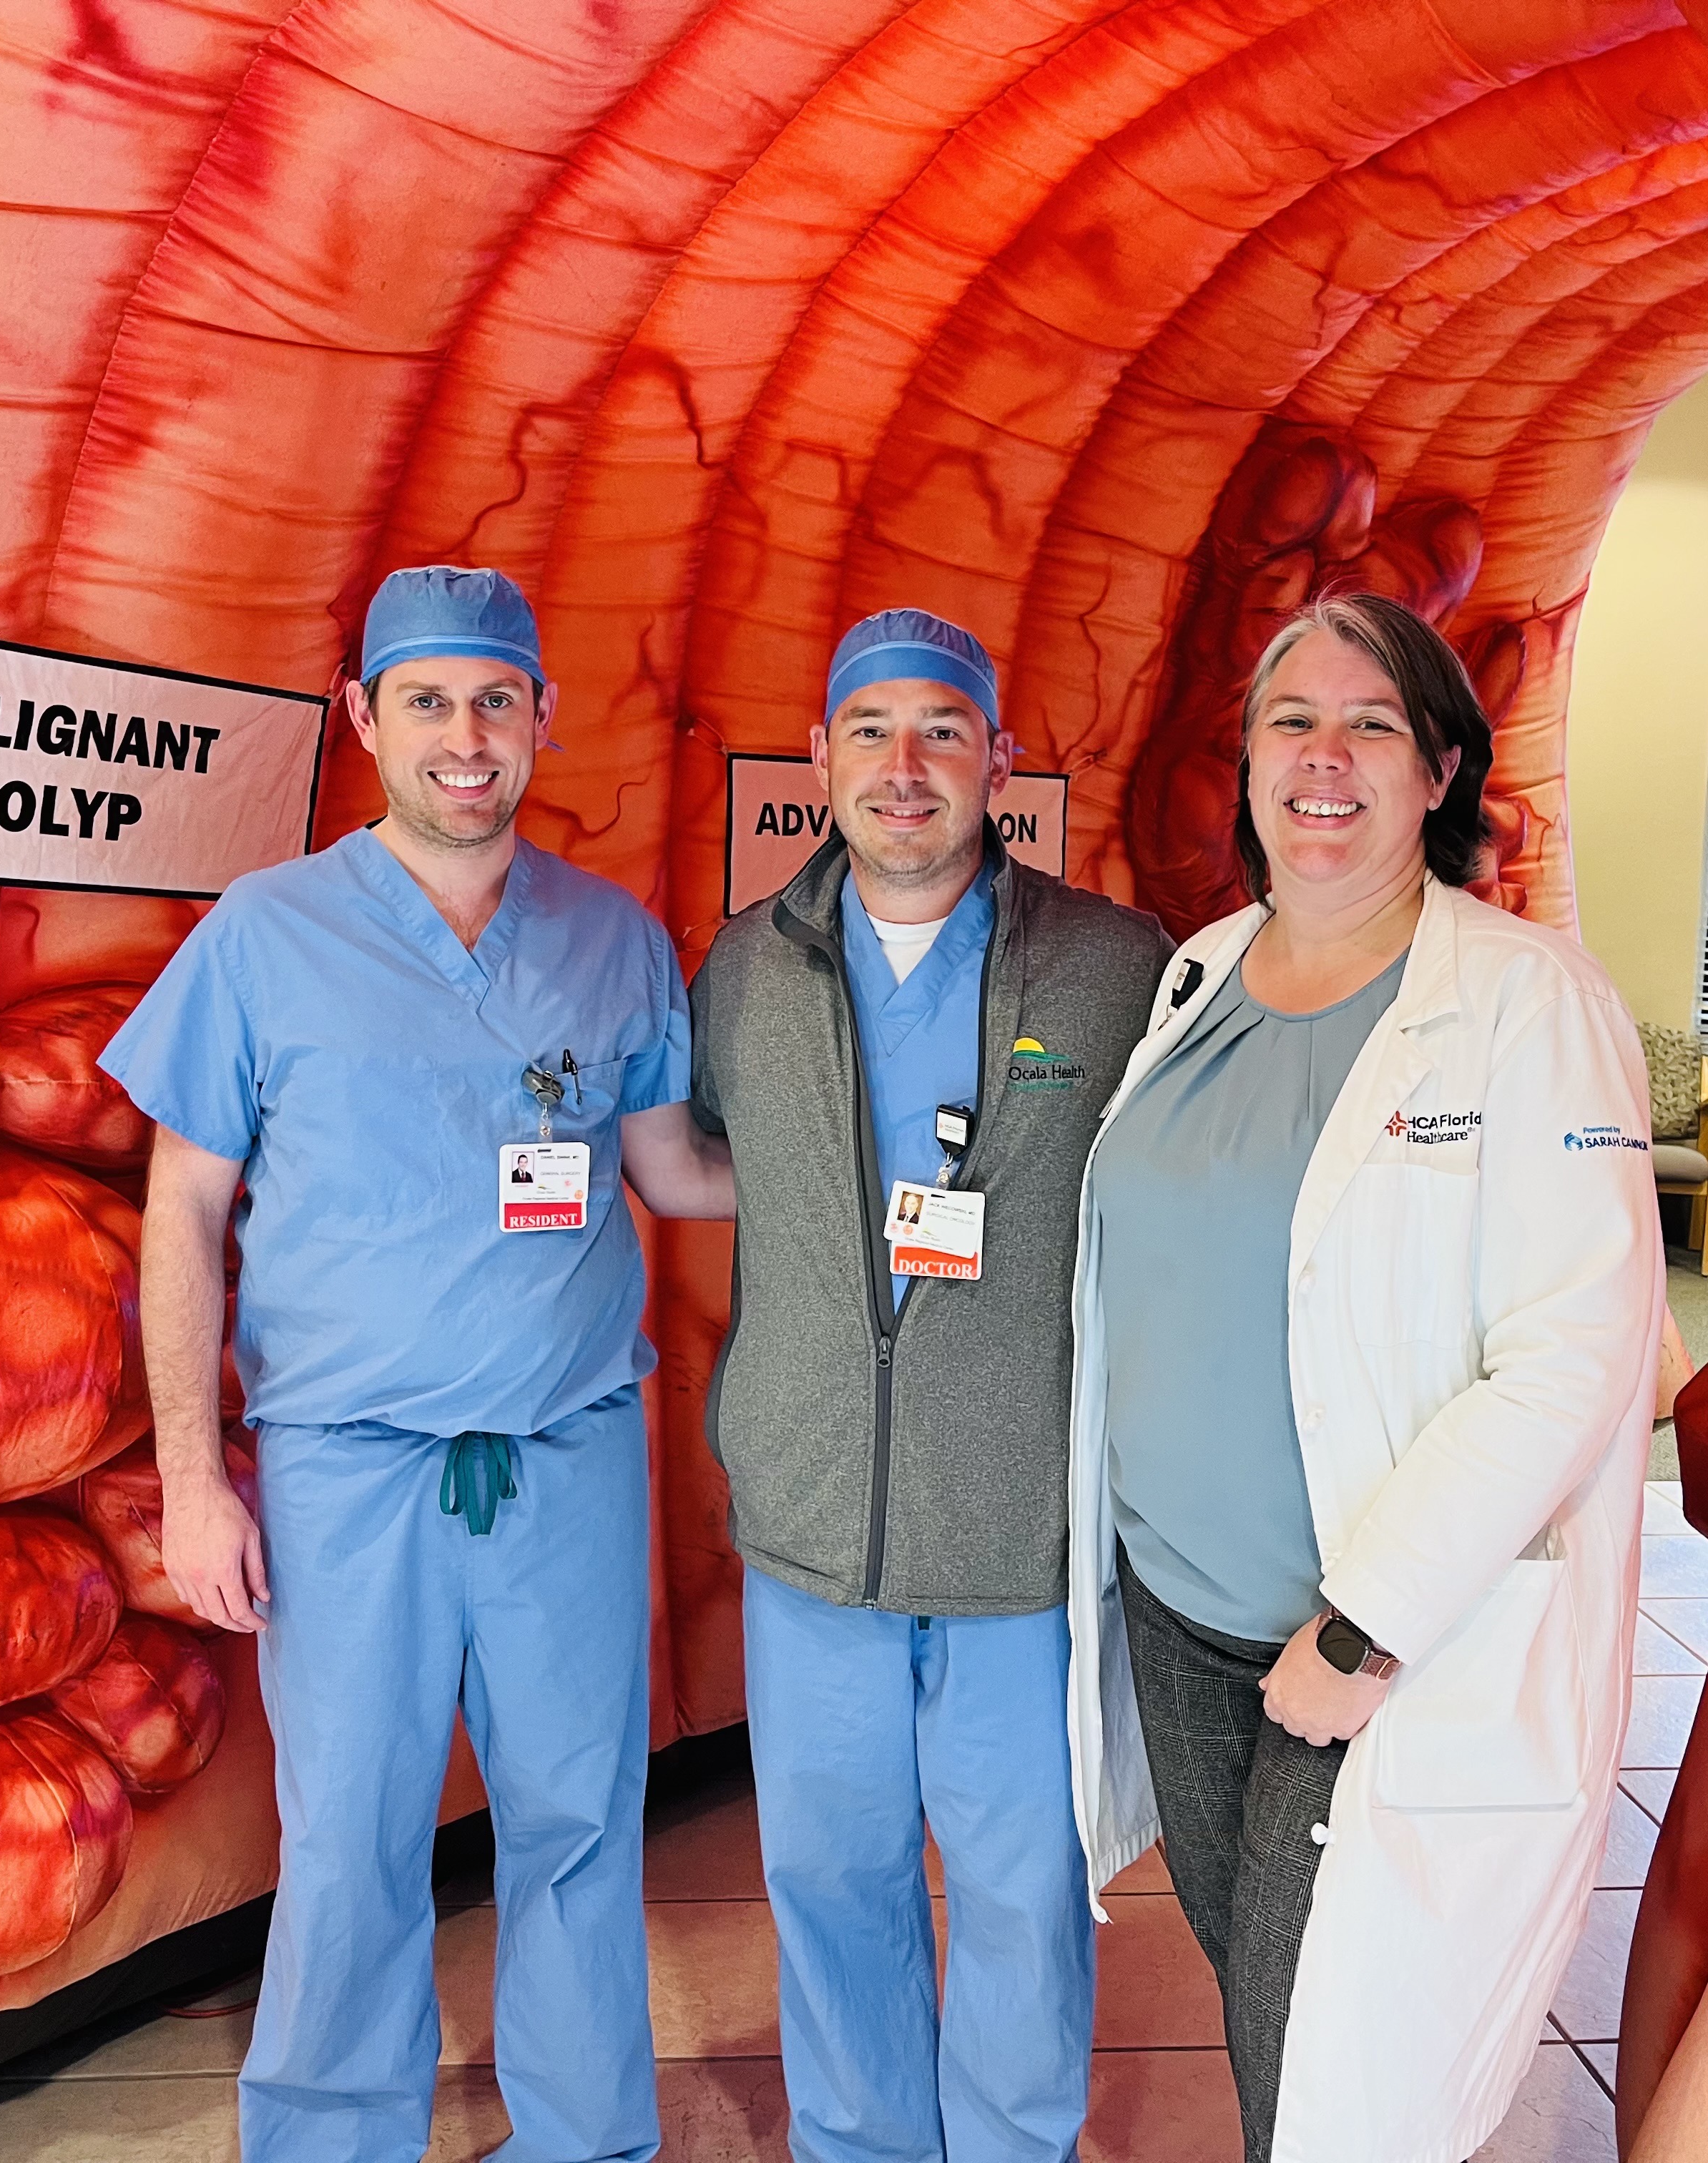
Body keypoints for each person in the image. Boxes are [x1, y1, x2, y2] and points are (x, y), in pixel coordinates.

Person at [103, 565, 735, 2163]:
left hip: (568, 1458)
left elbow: (671, 1171)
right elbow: (182, 1209)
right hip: (346, 1477)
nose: (469, 737)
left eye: (498, 701)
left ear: (540, 720)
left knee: (580, 1829)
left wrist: (887, 1170)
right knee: (351, 1846)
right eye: (432, 701)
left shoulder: (611, 938)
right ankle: (329, 2140)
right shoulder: (267, 936)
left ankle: (587, 2141)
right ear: (364, 718)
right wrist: (193, 1480)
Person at [1062, 593, 1662, 2163]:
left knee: (1334, 2069)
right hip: (1182, 1623)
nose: (1323, 761)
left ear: (1440, 767)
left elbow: (1576, 1354)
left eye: (1370, 726)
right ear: (1247, 759)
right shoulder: (1200, 977)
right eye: (1290, 723)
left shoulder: (1531, 1008)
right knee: (1280, 2028)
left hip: (1365, 1656)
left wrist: (1366, 1621)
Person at [690, 609, 1171, 2163]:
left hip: (1018, 1537)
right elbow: (701, 1160)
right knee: (832, 1882)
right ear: (821, 756)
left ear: (999, 760)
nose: (906, 771)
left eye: (943, 734)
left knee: (1029, 1891)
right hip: (815, 1529)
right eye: (872, 734)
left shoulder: (1109, 971)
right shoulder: (746, 970)